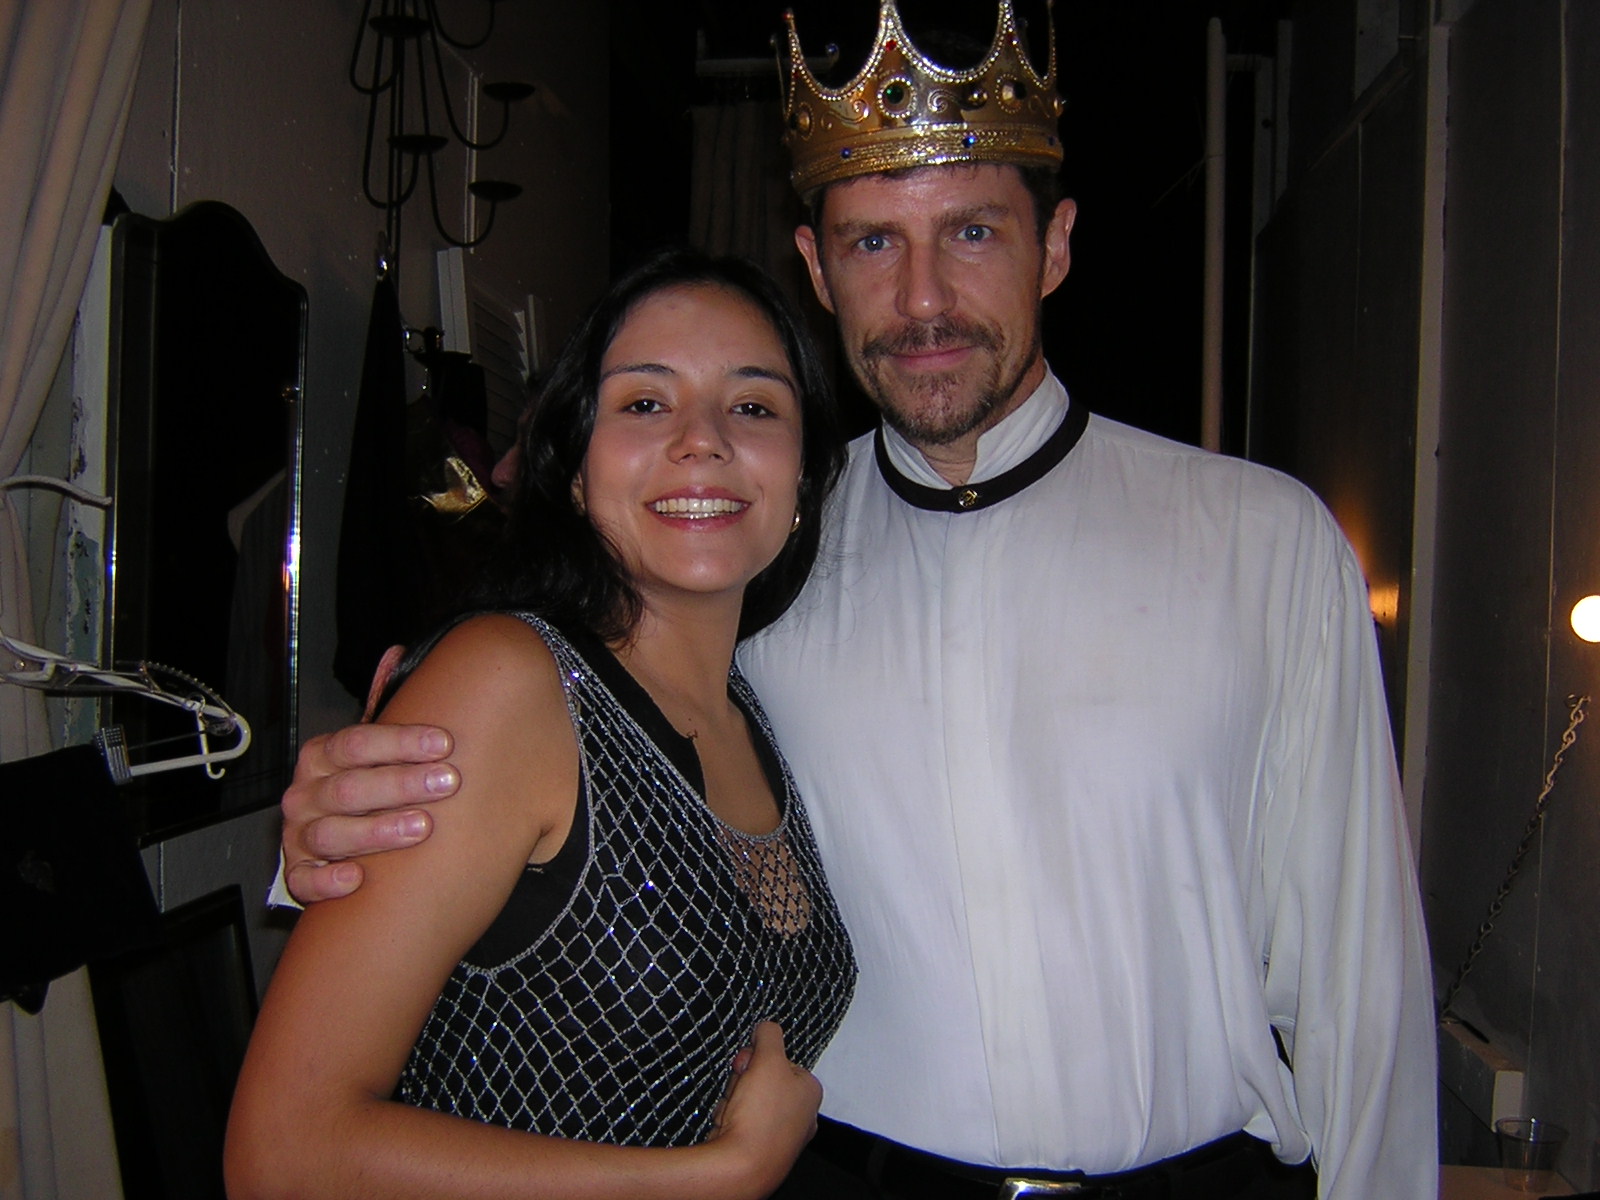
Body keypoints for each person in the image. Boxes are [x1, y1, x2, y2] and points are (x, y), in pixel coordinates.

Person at [276, 3, 1437, 1197]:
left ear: (1057, 245)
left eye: (973, 231)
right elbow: (572, 706)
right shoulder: (762, 554)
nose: (922, 298)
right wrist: (351, 805)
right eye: (874, 243)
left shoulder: (1262, 542)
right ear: (817, 269)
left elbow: (1360, 984)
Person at [228, 248, 858, 1200]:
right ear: (571, 469)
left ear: (804, 478)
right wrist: (714, 1178)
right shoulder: (509, 682)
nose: (703, 441)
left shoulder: (754, 710)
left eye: (755, 407)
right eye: (645, 403)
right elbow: (283, 1156)